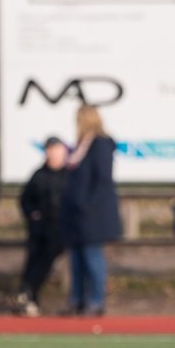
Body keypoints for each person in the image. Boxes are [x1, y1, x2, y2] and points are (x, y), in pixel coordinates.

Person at [61, 105, 121, 316]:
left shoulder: (100, 144)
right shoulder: (80, 145)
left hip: (93, 214)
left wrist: (88, 205)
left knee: (92, 256)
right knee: (76, 259)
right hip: (76, 214)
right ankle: (77, 300)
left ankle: (96, 301)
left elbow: (103, 179)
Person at [15, 137, 69, 317]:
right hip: (40, 227)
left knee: (49, 253)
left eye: (57, 150)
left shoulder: (71, 174)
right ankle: (28, 294)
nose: (54, 154)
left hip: (62, 228)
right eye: (51, 150)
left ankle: (29, 290)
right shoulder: (39, 175)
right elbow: (25, 200)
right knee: (34, 253)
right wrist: (32, 214)